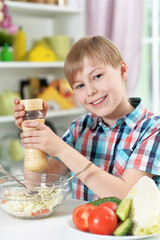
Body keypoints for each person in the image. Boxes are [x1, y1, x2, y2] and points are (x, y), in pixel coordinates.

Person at [13, 36, 160, 201]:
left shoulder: (153, 129)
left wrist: (62, 149)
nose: (90, 91)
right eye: (80, 86)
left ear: (122, 71)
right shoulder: (79, 128)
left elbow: (127, 196)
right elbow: (39, 187)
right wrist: (33, 134)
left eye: (97, 76)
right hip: (80, 226)